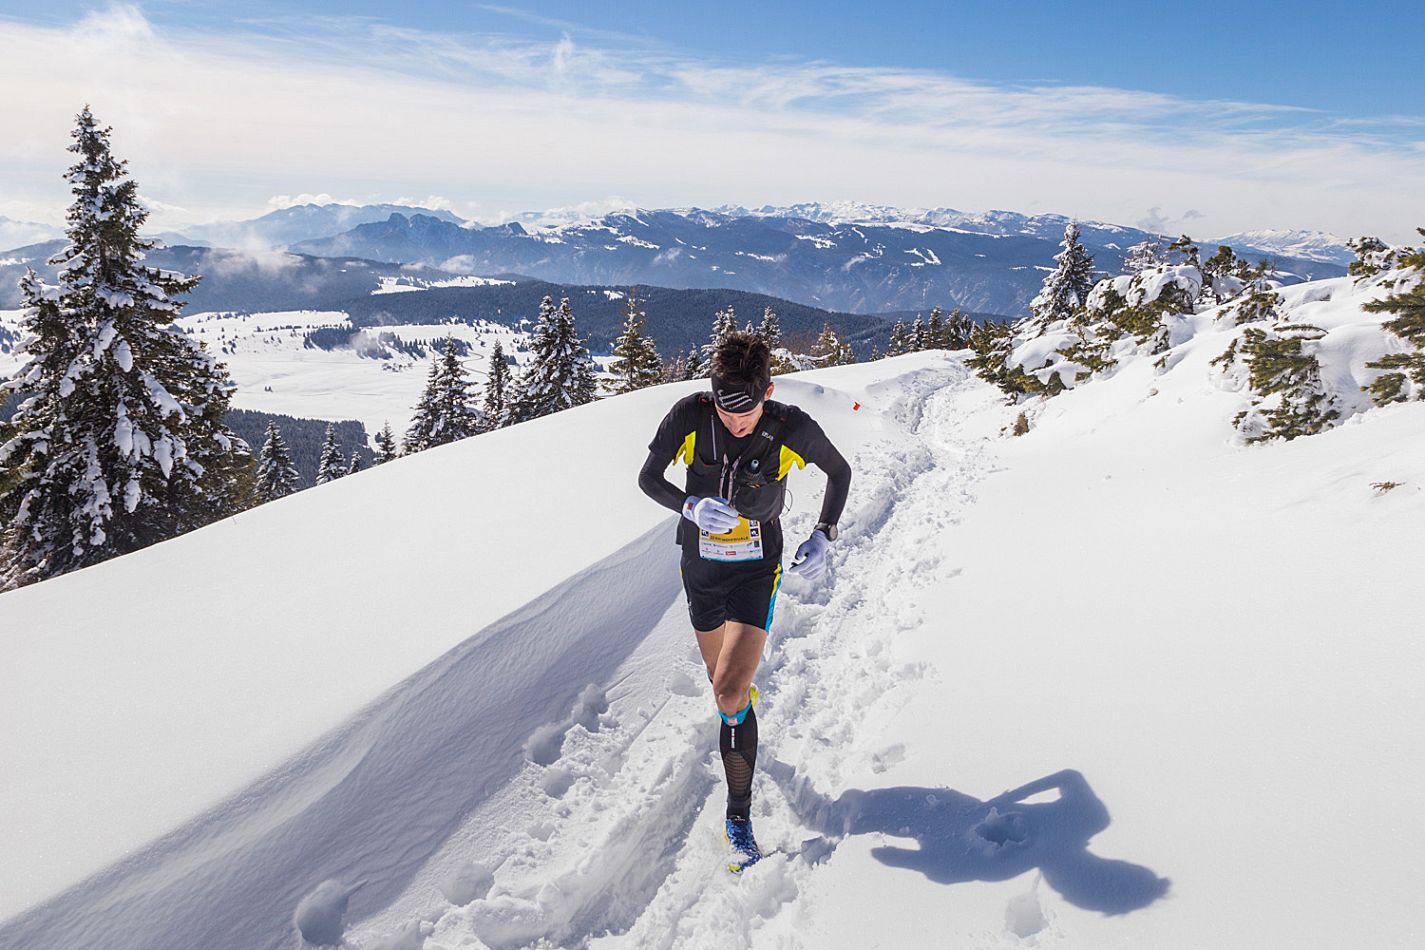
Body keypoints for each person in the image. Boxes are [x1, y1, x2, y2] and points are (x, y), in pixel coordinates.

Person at [638, 330, 852, 871]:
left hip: (757, 570)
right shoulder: (690, 415)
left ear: (768, 392)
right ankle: (740, 707)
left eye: (747, 411)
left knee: (731, 695)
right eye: (726, 410)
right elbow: (648, 478)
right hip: (701, 568)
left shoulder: (789, 426)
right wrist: (689, 506)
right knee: (723, 688)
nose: (736, 423)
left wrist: (824, 533)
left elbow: (839, 471)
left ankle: (738, 816)